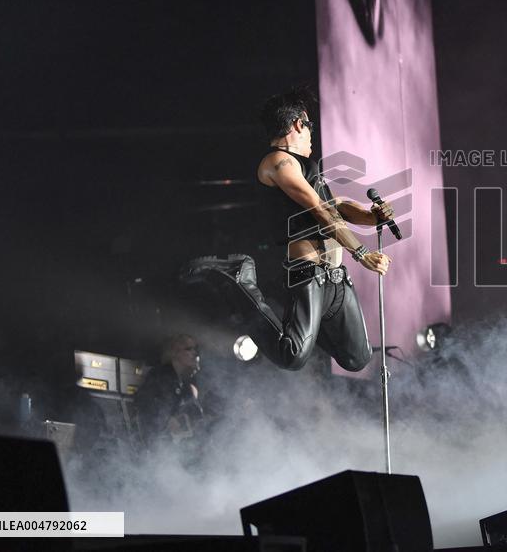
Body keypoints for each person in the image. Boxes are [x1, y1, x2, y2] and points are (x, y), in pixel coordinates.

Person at [182, 87, 393, 372]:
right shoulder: (276, 163)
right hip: (309, 274)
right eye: (310, 128)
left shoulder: (308, 168)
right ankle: (239, 279)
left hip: (337, 279)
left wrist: (371, 217)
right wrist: (362, 253)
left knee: (357, 358)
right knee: (291, 355)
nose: (311, 136)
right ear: (298, 123)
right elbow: (319, 210)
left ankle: (308, 322)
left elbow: (336, 204)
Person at [133, 334, 210, 446]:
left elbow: (196, 419)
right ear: (175, 352)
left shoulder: (187, 387)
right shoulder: (159, 376)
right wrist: (166, 420)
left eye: (195, 349)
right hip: (160, 447)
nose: (195, 353)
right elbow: (143, 403)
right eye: (189, 349)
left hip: (181, 450)